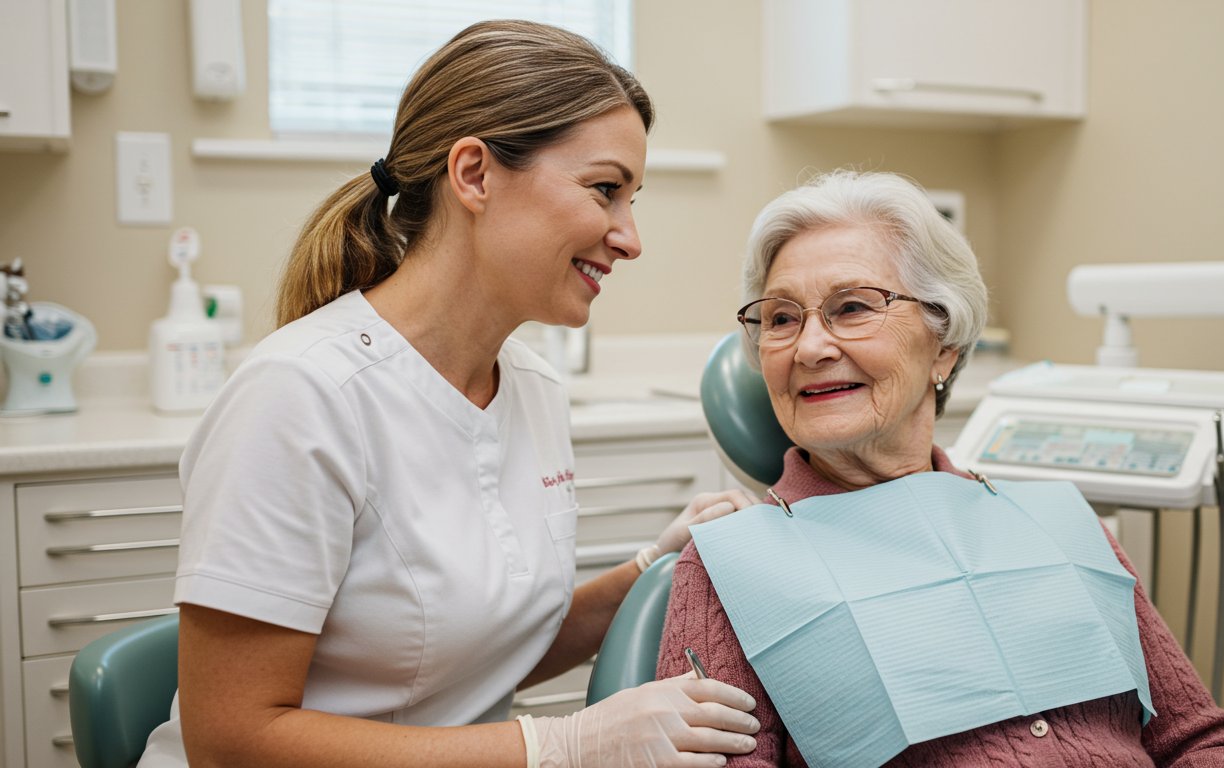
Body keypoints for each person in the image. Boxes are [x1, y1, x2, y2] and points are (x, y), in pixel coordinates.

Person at [138, 20, 761, 768]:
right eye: (605, 190)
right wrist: (560, 744)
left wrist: (652, 565)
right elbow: (231, 740)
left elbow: (472, 654)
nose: (629, 238)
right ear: (473, 174)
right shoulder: (300, 397)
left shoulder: (532, 389)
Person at [655, 170, 1224, 767]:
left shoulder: (1055, 523)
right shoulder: (729, 566)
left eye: (853, 307)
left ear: (943, 345)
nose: (810, 347)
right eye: (782, 319)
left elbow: (1201, 743)